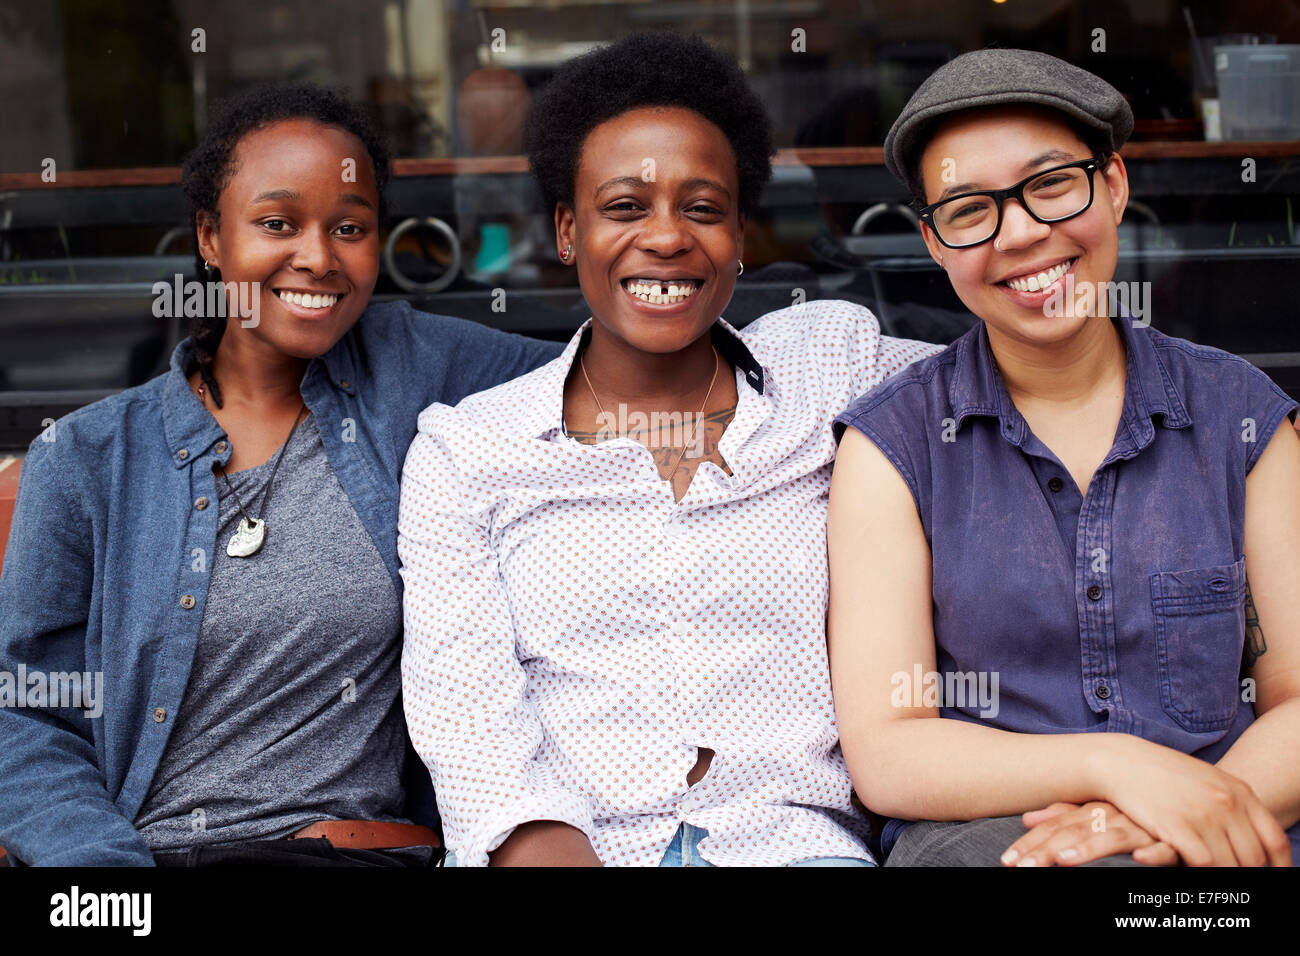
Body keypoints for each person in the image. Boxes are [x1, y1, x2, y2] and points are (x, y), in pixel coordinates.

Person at [398, 32, 940, 867]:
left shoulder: (830, 366)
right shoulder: (469, 451)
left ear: (740, 233)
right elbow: (475, 739)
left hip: (793, 847)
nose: (666, 238)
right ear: (567, 230)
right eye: (624, 207)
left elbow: (1015, 384)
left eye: (702, 207)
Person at [0, 84, 562, 866]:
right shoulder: (86, 460)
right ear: (211, 236)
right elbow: (25, 715)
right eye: (276, 223)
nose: (318, 258)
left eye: (350, 228)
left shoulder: (414, 370)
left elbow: (604, 374)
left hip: (352, 856)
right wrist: (106, 879)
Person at [827, 49, 1300, 867]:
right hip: (991, 841)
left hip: (1232, 816)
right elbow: (888, 750)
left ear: (1113, 185)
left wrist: (1160, 820)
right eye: (970, 210)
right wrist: (1115, 768)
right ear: (935, 242)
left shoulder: (1240, 417)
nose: (1021, 234)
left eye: (1051, 185)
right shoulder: (893, 445)